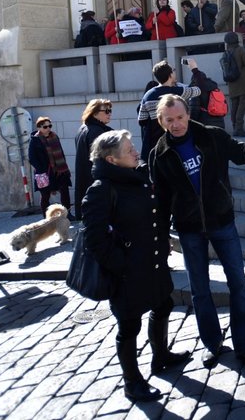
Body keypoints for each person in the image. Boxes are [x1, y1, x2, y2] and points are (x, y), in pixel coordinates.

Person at [148, 95, 245, 369]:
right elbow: (160, 202)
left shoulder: (211, 136)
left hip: (222, 221)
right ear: (161, 121)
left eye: (180, 117)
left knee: (238, 283)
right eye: (169, 120)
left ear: (187, 114)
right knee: (200, 290)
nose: (176, 124)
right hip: (189, 229)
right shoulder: (158, 154)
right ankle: (213, 343)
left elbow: (243, 155)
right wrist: (161, 239)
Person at [81, 130, 190, 402]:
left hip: (152, 262)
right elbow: (94, 239)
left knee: (163, 304)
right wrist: (122, 266)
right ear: (112, 159)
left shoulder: (138, 177)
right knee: (129, 326)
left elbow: (154, 214)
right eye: (128, 150)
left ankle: (161, 356)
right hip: (128, 272)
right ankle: (132, 383)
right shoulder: (101, 190)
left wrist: (162, 242)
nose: (135, 152)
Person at [137, 60, 202, 162]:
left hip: (154, 144)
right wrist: (194, 69)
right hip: (175, 141)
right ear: (170, 74)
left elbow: (142, 121)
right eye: (173, 70)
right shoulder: (177, 92)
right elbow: (198, 90)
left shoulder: (148, 95)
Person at [73, 99, 114, 221]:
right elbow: (103, 160)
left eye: (110, 110)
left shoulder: (83, 129)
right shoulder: (97, 131)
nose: (109, 113)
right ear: (94, 113)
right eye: (106, 111)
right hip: (97, 183)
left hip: (87, 182)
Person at [29, 117, 72, 215]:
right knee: (45, 195)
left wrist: (65, 167)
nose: (48, 128)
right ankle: (46, 218)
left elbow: (61, 153)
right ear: (39, 128)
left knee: (65, 192)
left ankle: (67, 214)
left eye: (50, 126)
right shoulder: (35, 140)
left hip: (60, 170)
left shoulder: (54, 136)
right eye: (45, 127)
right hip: (46, 172)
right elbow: (32, 158)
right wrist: (42, 171)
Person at [223, 32, 245, 137]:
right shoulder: (240, 50)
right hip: (243, 83)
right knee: (242, 106)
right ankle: (239, 129)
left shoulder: (225, 53)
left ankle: (235, 128)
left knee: (235, 106)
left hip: (232, 83)